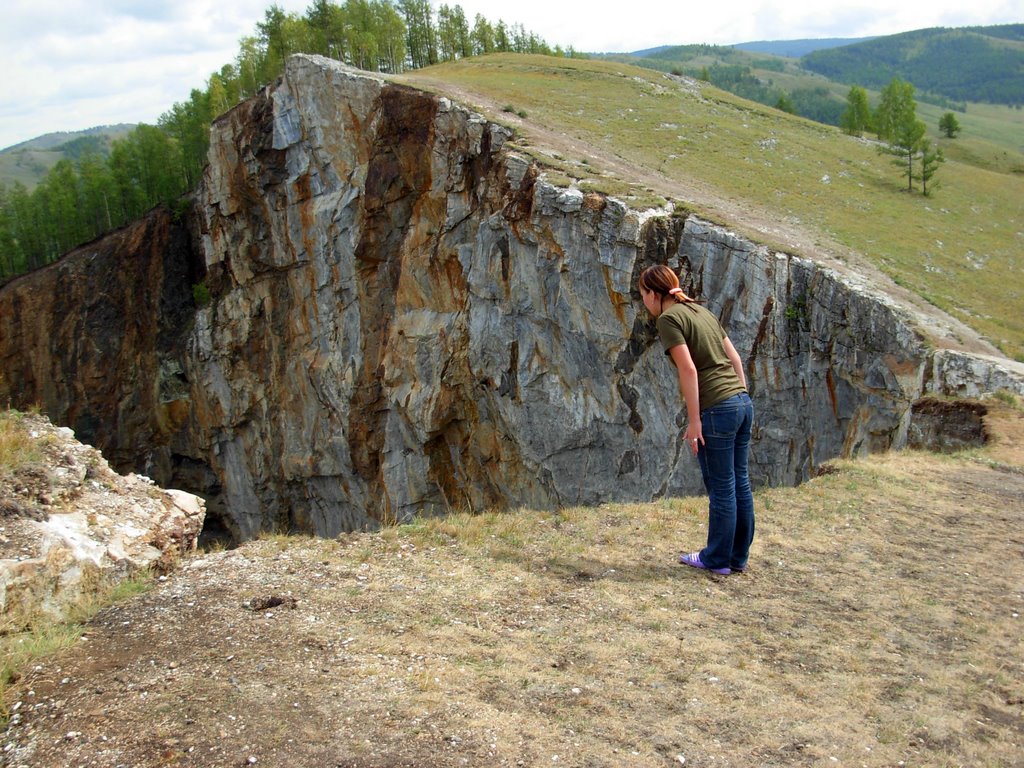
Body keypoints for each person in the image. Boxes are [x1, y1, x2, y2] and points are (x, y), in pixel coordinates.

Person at [638, 264, 754, 576]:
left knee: (722, 487)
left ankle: (716, 558)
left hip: (717, 408)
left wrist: (695, 421)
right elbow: (735, 359)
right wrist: (741, 393)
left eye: (643, 295)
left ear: (654, 293)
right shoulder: (703, 312)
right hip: (742, 403)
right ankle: (737, 557)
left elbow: (688, 370)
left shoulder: (669, 318)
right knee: (739, 482)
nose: (644, 303)